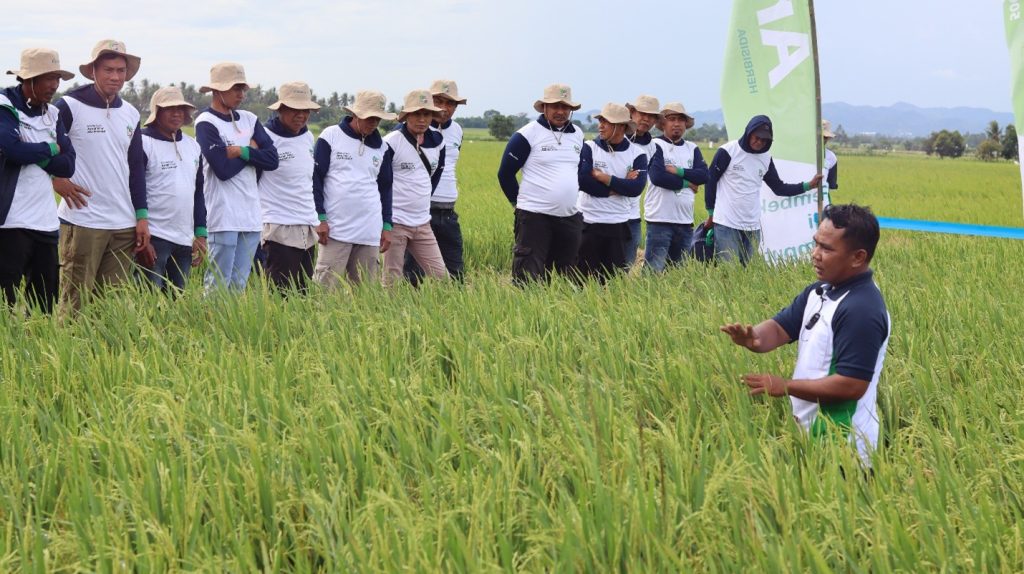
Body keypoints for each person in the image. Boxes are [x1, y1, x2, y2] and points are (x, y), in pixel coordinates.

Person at [720, 204, 889, 467]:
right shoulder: (820, 291)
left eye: (827, 249)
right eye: (816, 244)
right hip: (812, 438)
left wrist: (785, 386)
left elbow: (852, 385)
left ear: (858, 257)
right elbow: (780, 328)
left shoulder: (861, 310)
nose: (815, 254)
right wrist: (754, 339)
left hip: (844, 448)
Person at [54, 39, 148, 313]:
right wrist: (56, 179)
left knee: (110, 306)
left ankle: (103, 344)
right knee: (74, 302)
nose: (115, 77)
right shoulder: (69, 106)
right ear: (93, 70)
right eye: (108, 69)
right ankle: (67, 343)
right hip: (83, 220)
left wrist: (141, 216)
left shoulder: (130, 113)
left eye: (121, 71)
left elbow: (136, 168)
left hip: (123, 224)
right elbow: (46, 143)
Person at [0, 48, 76, 313]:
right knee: (5, 303)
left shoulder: (52, 113)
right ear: (28, 79)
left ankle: (37, 340)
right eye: (48, 78)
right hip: (10, 222)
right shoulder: (5, 106)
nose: (54, 85)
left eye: (57, 78)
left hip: (45, 223)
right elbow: (12, 150)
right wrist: (52, 148)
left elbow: (69, 164)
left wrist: (36, 154)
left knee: (44, 303)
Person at [194, 62, 279, 291]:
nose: (241, 94)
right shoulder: (206, 123)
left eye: (242, 89)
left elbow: (272, 160)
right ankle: (211, 315)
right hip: (223, 215)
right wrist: (252, 151)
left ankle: (231, 317)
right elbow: (223, 170)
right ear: (217, 90)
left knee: (239, 283)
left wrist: (241, 151)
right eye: (235, 89)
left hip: (251, 215)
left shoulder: (249, 119)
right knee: (218, 282)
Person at [704, 115, 823, 265]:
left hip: (752, 226)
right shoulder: (728, 151)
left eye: (764, 140)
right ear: (749, 132)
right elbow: (710, 180)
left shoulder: (765, 158)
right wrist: (711, 213)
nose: (759, 142)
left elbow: (779, 188)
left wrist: (808, 185)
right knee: (729, 269)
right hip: (727, 223)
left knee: (749, 271)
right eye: (756, 137)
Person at [497, 84, 585, 283]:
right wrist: (517, 204)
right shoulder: (527, 135)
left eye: (565, 107)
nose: (560, 111)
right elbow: (505, 174)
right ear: (544, 107)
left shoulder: (578, 135)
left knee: (568, 276)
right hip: (534, 216)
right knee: (528, 275)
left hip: (570, 216)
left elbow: (578, 171)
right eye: (555, 106)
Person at [312, 90, 395, 287]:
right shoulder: (331, 136)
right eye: (369, 117)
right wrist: (320, 217)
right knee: (326, 289)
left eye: (377, 118)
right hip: (335, 230)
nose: (373, 122)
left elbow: (385, 188)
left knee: (366, 292)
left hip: (369, 231)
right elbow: (315, 179)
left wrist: (387, 225)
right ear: (356, 114)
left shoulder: (382, 148)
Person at [137, 86, 206, 292]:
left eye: (180, 109)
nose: (176, 113)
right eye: (169, 109)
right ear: (157, 112)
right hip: (154, 237)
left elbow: (199, 192)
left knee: (177, 299)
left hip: (183, 239)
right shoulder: (142, 142)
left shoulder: (193, 146)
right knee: (149, 298)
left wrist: (200, 233)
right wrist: (141, 234)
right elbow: (135, 189)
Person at [381, 89, 448, 286]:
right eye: (416, 114)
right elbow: (382, 182)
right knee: (391, 280)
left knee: (441, 277)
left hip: (422, 222)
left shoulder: (438, 141)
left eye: (427, 114)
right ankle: (387, 307)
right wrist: (385, 222)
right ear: (407, 116)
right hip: (396, 222)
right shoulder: (392, 142)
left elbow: (435, 176)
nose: (422, 119)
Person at [258, 82, 320, 291]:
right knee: (280, 291)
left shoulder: (307, 136)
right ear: (281, 109)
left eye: (305, 110)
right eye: (295, 109)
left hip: (306, 226)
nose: (301, 115)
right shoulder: (265, 136)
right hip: (278, 226)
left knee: (303, 291)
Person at [404, 79, 467, 284]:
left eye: (450, 103)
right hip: (420, 212)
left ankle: (453, 303)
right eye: (438, 101)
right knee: (412, 273)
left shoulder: (457, 130)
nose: (444, 108)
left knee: (455, 271)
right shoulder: (411, 129)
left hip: (448, 211)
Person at [576, 103, 647, 281]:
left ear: (621, 126)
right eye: (600, 121)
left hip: (618, 224)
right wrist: (617, 188)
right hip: (588, 222)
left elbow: (636, 188)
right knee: (581, 280)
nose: (600, 126)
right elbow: (583, 181)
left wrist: (604, 177)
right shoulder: (589, 147)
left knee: (612, 281)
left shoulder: (637, 154)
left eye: (606, 122)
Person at [644, 102, 707, 272]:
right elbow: (658, 177)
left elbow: (703, 175)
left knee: (678, 273)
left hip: (685, 222)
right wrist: (688, 183)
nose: (676, 123)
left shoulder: (692, 148)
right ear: (663, 123)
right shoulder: (655, 145)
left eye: (680, 119)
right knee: (653, 271)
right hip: (659, 220)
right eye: (672, 119)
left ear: (686, 124)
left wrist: (678, 171)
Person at [624, 94, 660, 267]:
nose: (646, 119)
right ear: (631, 113)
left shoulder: (652, 146)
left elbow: (645, 179)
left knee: (627, 265)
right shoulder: (617, 137)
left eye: (651, 116)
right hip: (606, 214)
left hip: (633, 215)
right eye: (642, 113)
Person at [823, 119, 839, 193]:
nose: (823, 140)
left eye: (825, 137)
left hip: (820, 198)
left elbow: (831, 184)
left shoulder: (831, 157)